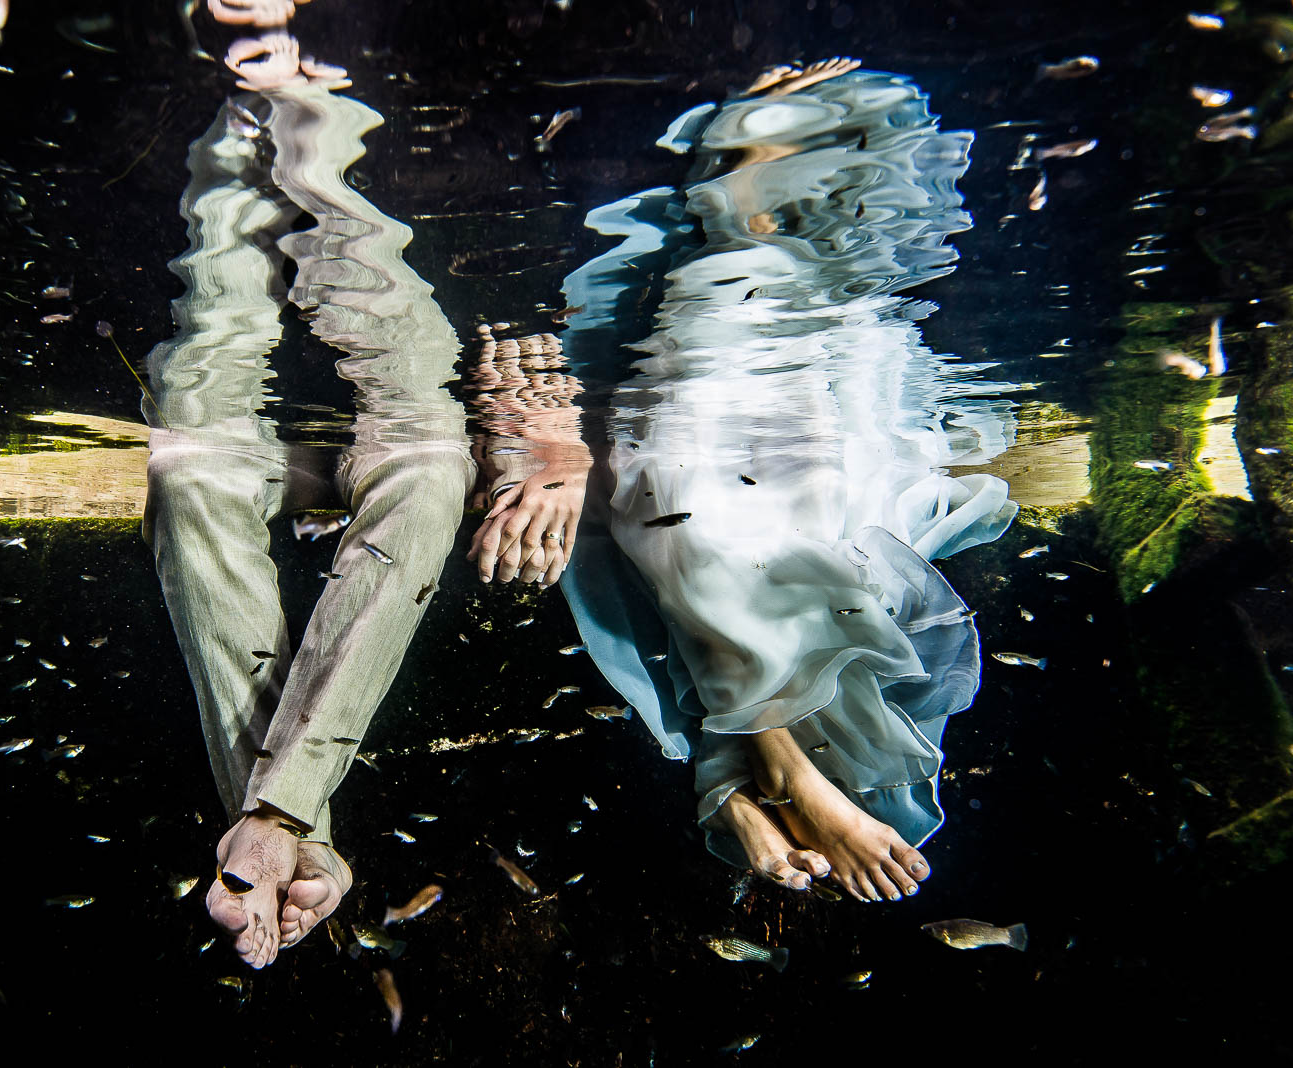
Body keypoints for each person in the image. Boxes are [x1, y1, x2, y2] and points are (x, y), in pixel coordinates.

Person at [488, 60, 1020, 903]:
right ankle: (773, 769)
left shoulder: (818, 277)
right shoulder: (740, 263)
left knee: (737, 544)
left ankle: (743, 770)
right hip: (746, 355)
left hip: (791, 368)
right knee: (721, 533)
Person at [143, 49, 475, 967]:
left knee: (431, 483)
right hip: (258, 423)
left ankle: (275, 827)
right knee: (190, 475)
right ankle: (293, 823)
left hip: (399, 416)